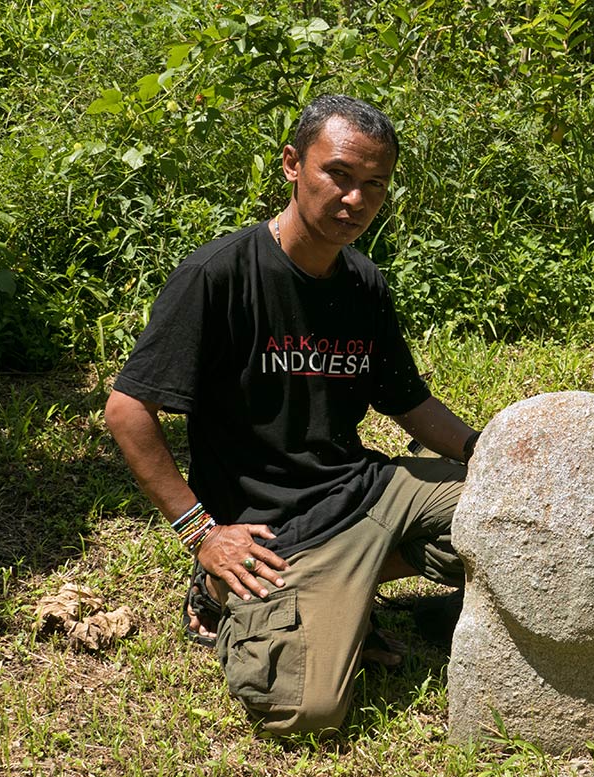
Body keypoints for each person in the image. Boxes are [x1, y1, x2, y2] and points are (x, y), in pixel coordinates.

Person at [105, 95, 479, 735]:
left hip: (365, 492)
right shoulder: (218, 275)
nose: (355, 200)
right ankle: (223, 594)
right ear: (292, 165)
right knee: (306, 709)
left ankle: (350, 591)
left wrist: (496, 451)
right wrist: (202, 533)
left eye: (374, 185)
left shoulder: (364, 283)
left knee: (518, 506)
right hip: (272, 534)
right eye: (339, 174)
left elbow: (407, 402)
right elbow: (127, 409)